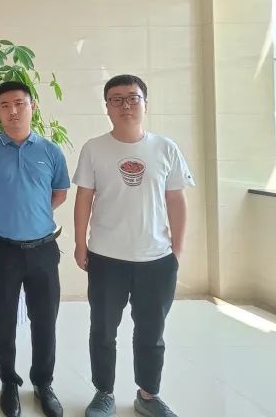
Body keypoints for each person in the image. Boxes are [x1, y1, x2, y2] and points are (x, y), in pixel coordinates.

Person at [73, 75, 194, 417]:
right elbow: (84, 199)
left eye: (132, 97)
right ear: (107, 107)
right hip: (106, 257)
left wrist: (177, 250)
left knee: (151, 332)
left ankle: (148, 395)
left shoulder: (165, 148)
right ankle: (104, 393)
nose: (125, 105)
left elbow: (176, 201)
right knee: (102, 330)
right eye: (116, 99)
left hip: (156, 258)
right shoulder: (94, 148)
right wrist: (80, 244)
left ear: (145, 103)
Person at [0, 81, 69, 417]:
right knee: (4, 317)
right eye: (5, 105)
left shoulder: (51, 151)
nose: (13, 111)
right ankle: (9, 382)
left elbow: (59, 193)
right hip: (2, 248)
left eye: (20, 103)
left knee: (45, 319)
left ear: (32, 107)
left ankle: (43, 383)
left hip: (42, 248)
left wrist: (35, 217)